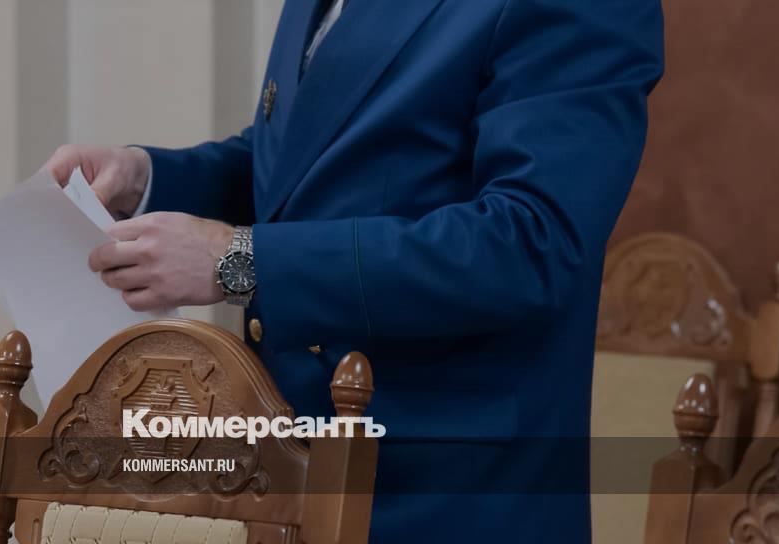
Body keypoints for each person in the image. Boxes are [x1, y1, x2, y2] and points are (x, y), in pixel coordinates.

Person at [44, 0, 664, 541]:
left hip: (442, 490)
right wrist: (148, 178)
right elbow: (303, 167)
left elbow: (532, 243)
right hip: (282, 464)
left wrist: (240, 260)